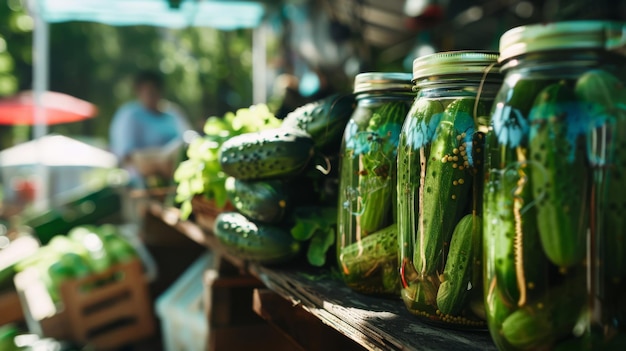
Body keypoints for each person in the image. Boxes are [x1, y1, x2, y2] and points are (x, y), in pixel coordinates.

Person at [109, 70, 191, 188]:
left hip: (176, 174)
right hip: (142, 180)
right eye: (148, 92)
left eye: (155, 91)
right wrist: (160, 160)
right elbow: (127, 156)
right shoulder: (129, 115)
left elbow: (186, 140)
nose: (151, 96)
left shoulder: (173, 113)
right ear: (138, 92)